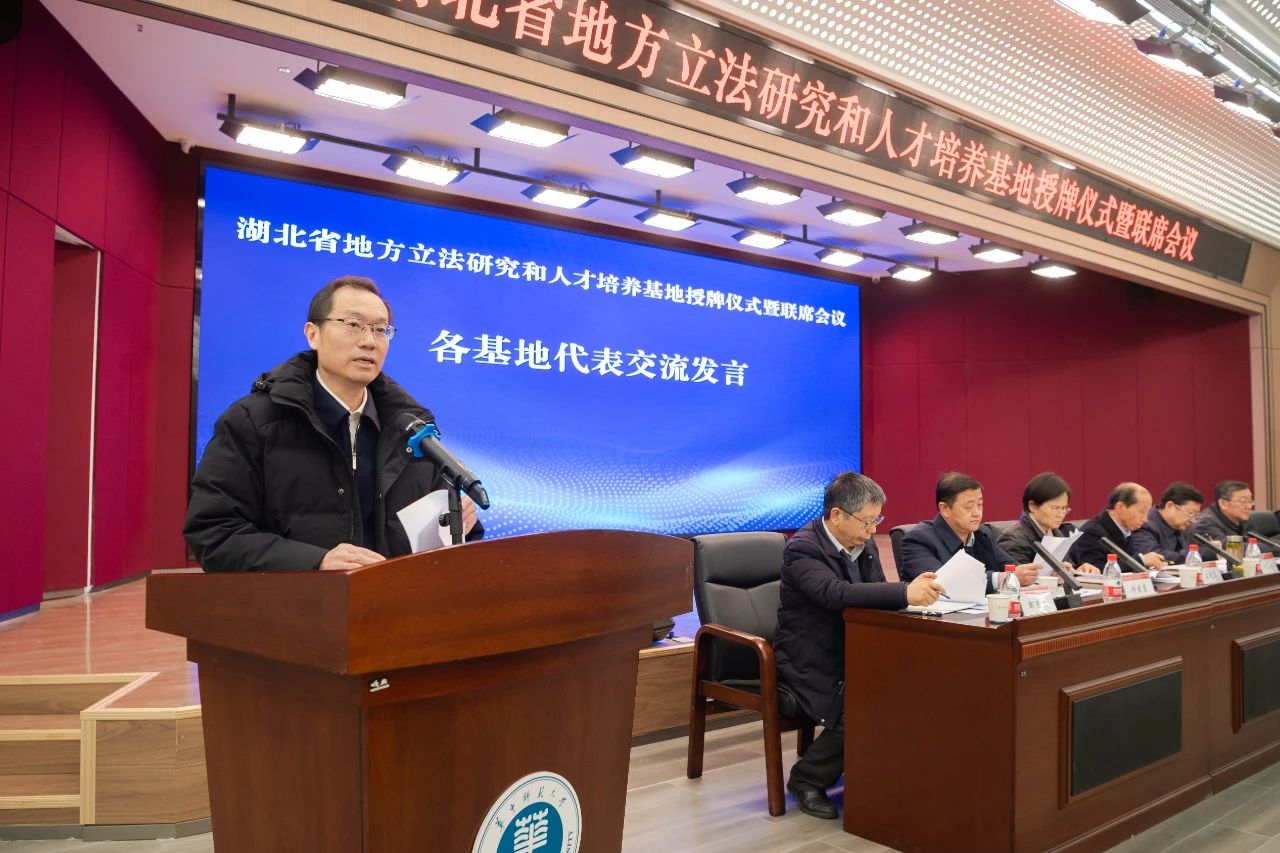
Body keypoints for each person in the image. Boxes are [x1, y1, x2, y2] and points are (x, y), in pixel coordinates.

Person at [184, 275, 482, 572]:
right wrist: (315, 561)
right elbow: (213, 532)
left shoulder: (410, 429)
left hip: (392, 600)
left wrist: (458, 525)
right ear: (312, 334)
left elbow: (442, 539)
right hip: (300, 600)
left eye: (380, 330)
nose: (369, 341)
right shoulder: (254, 421)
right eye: (353, 325)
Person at [774, 472, 944, 819]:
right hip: (810, 658)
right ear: (837, 515)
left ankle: (884, 772)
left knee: (919, 686)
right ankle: (807, 778)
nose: (872, 531)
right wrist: (903, 592)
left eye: (876, 520)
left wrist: (910, 592)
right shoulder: (802, 548)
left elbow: (874, 593)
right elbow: (833, 593)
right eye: (867, 521)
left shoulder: (863, 545)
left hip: (856, 649)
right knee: (864, 703)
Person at [900, 471, 1039, 589]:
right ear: (945, 509)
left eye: (980, 504)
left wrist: (1028, 573)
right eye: (968, 507)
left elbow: (1011, 567)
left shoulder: (982, 534)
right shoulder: (918, 540)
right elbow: (942, 583)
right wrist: (1000, 578)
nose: (977, 513)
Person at [996, 471, 1098, 573]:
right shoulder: (1013, 539)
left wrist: (1078, 571)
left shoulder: (1056, 533)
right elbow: (1019, 578)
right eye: (1055, 508)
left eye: (1064, 508)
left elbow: (1068, 568)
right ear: (1032, 506)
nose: (1060, 514)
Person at [1065, 483, 1160, 570]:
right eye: (1142, 511)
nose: (1145, 519)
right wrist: (1139, 561)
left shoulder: (1128, 528)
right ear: (1120, 507)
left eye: (1147, 512)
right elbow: (1094, 570)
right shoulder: (1092, 532)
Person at [1130, 482, 1203, 564]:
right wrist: (1197, 555)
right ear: (1169, 506)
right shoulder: (1143, 525)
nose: (1193, 520)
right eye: (1191, 513)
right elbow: (1155, 556)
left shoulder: (1184, 526)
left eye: (1196, 515)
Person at [1189, 480, 1252, 546]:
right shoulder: (1205, 523)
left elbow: (1255, 542)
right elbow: (1228, 547)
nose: (1249, 506)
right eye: (1243, 501)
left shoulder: (1242, 519)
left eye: (1250, 501)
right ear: (1223, 504)